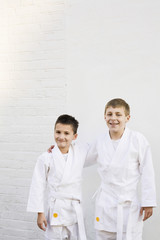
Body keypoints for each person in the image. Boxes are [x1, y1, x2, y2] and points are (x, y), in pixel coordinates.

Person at [85, 98, 157, 240]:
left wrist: (148, 202)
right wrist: (62, 150)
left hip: (128, 205)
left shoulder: (138, 140)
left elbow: (147, 171)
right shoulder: (100, 141)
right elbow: (81, 157)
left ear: (127, 118)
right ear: (104, 117)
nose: (113, 118)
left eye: (118, 114)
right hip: (105, 204)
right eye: (110, 114)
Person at [27, 114, 88, 240]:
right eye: (58, 132)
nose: (61, 137)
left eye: (66, 133)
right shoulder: (46, 157)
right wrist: (40, 213)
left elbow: (99, 148)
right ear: (54, 132)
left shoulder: (80, 152)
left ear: (74, 136)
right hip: (56, 209)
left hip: (74, 211)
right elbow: (38, 185)